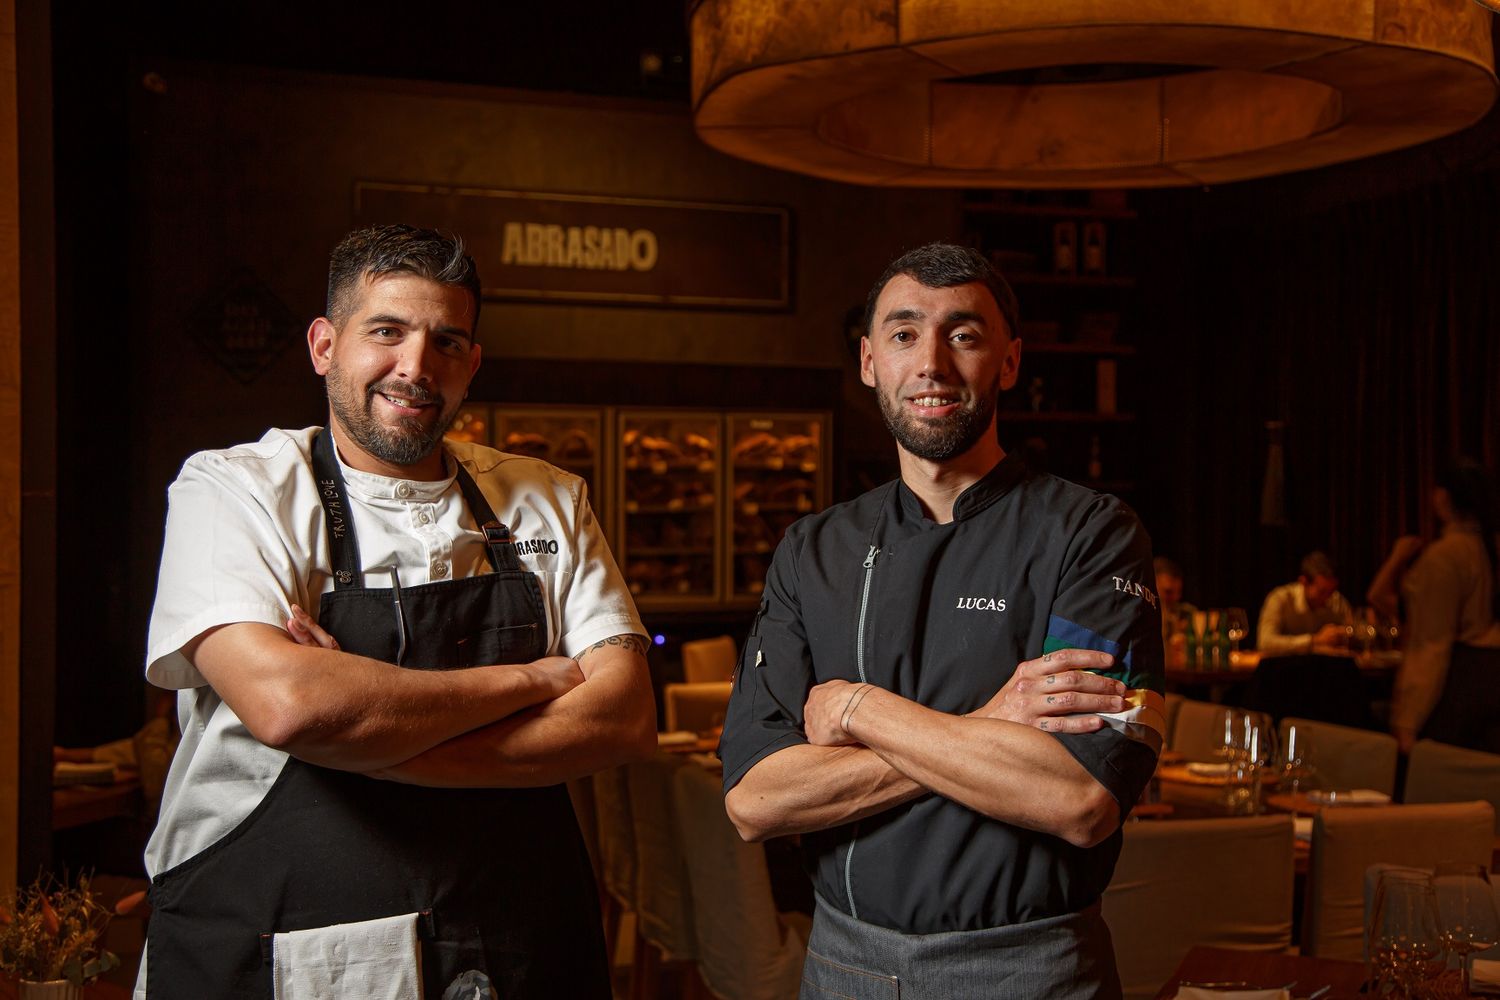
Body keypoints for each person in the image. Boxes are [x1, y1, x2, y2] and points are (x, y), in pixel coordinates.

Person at [139, 225, 654, 999]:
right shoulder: (233, 491)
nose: (416, 368)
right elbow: (288, 706)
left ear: (471, 365)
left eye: (447, 341)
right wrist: (534, 680)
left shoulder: (548, 498)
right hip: (284, 941)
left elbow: (622, 717)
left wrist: (357, 728)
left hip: (515, 937)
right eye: (387, 332)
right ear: (323, 344)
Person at [717, 243, 1166, 999]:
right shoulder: (813, 549)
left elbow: (1079, 801)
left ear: (1009, 361)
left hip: (1032, 969)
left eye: (963, 334)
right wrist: (992, 720)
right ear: (868, 361)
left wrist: (857, 706)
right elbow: (757, 801)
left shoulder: (1091, 535)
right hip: (842, 968)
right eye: (902, 333)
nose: (931, 362)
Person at [1369, 458, 1500, 752]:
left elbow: (1431, 645)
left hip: (1459, 691)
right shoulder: (1486, 548)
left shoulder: (1446, 557)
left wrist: (1407, 721)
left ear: (1442, 497)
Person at [1255, 550, 1352, 655]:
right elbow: (1264, 642)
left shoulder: (1337, 601)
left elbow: (1353, 635)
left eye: (1332, 591)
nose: (1328, 598)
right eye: (1322, 591)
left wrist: (1345, 637)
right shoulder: (1280, 598)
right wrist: (1314, 640)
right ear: (1303, 582)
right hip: (1285, 669)